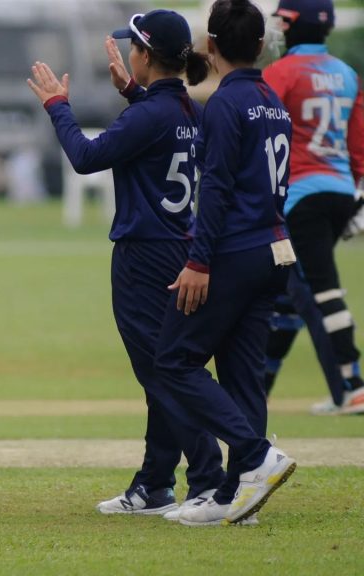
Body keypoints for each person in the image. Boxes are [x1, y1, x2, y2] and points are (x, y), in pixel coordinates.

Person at [26, 9, 227, 520]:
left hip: (144, 255)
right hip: (181, 248)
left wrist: (57, 106)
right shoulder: (187, 109)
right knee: (168, 367)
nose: (127, 55)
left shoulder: (152, 114)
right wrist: (132, 94)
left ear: (144, 55)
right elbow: (157, 134)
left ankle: (206, 481)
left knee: (163, 373)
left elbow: (86, 157)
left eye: (131, 48)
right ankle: (156, 483)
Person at [154, 0, 298, 527]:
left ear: (209, 46)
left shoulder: (225, 104)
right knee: (242, 375)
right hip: (275, 249)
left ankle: (257, 456)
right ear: (259, 46)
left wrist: (198, 261)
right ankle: (241, 498)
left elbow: (215, 188)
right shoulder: (271, 100)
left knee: (172, 361)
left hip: (232, 251)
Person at [261, 0, 364, 415]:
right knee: (289, 293)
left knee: (318, 288)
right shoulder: (346, 73)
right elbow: (359, 149)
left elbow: (263, 133)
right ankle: (257, 390)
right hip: (341, 191)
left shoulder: (280, 73)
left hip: (300, 196)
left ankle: (353, 383)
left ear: (292, 26)